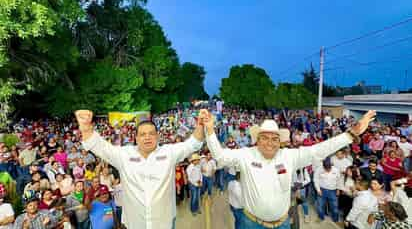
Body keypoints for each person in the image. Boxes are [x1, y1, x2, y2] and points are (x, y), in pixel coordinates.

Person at [203, 109, 376, 229]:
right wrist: (210, 130)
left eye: (274, 139)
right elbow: (219, 156)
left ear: (280, 141)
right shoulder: (245, 155)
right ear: (257, 140)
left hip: (283, 224)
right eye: (265, 138)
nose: (269, 143)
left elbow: (319, 150)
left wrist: (350, 134)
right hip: (251, 224)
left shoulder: (289, 156)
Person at [75, 109, 205, 229]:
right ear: (136, 138)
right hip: (135, 223)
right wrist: (85, 127)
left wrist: (200, 124)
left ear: (158, 136)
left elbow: (193, 143)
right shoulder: (124, 155)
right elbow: (99, 147)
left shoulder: (169, 152)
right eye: (142, 134)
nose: (147, 137)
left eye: (151, 134)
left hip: (163, 223)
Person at [314, 158, 340, 222]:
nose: (328, 170)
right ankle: (321, 217)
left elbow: (339, 180)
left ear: (331, 165)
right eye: (326, 168)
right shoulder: (319, 169)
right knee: (320, 205)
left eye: (329, 168)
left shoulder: (336, 170)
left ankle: (335, 219)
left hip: (333, 191)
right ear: (323, 166)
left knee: (334, 207)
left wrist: (338, 189)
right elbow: (315, 179)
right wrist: (318, 190)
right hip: (322, 190)